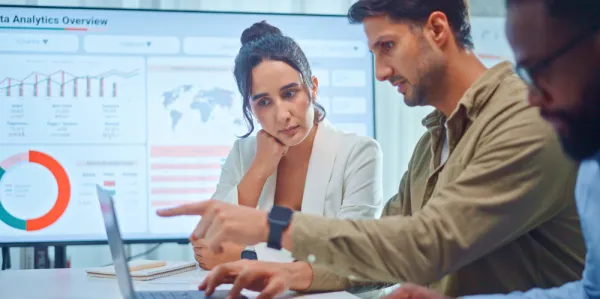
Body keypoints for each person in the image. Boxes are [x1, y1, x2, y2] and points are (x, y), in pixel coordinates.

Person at [157, 0, 587, 298]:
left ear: (437, 29)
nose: (381, 72)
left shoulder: (523, 118)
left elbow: (427, 244)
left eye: (387, 47)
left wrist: (273, 225)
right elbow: (382, 247)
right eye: (374, 52)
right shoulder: (431, 142)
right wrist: (291, 273)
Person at [379, 0, 600, 298]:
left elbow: (432, 241)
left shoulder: (526, 124)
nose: (533, 98)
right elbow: (591, 291)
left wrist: (297, 230)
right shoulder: (591, 172)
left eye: (540, 69)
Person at [189, 21, 384, 270]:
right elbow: (206, 245)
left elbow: (349, 251)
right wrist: (259, 169)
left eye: (290, 94)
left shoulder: (359, 152)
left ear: (313, 87)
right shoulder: (244, 154)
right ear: (251, 108)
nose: (282, 115)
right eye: (264, 102)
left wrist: (248, 257)